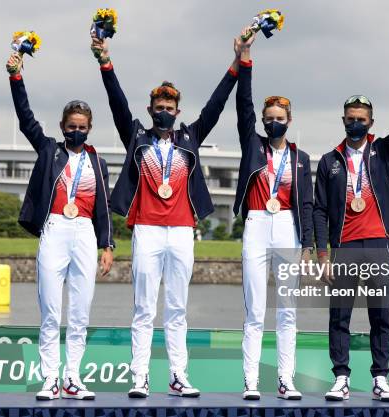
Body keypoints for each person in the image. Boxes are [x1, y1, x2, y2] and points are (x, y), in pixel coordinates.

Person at [91, 30, 243, 398]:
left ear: (177, 112)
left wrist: (237, 63)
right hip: (146, 229)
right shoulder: (137, 137)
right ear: (150, 111)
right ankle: (139, 377)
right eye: (158, 107)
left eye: (169, 109)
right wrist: (105, 62)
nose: (163, 112)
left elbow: (216, 105)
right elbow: (116, 104)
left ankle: (178, 375)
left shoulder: (189, 137)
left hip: (181, 232)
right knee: (144, 308)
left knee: (178, 307)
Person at [313, 44, 389, 402]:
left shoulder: (383, 151)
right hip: (345, 246)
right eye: (350, 117)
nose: (355, 123)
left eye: (362, 118)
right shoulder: (329, 161)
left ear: (371, 123)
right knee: (340, 316)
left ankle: (380, 378)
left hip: (379, 243)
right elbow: (319, 209)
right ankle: (341, 377)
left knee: (381, 315)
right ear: (343, 120)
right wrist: (322, 253)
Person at [6, 52, 115, 401]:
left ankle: (73, 379)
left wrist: (108, 245)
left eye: (83, 127)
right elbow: (26, 119)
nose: (77, 131)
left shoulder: (97, 161)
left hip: (84, 233)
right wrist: (16, 77)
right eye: (72, 126)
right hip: (54, 229)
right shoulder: (49, 150)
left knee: (80, 313)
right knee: (51, 311)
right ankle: (49, 378)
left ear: (90, 129)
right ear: (62, 127)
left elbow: (104, 209)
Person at [234, 28, 314, 401]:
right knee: (255, 311)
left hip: (288, 227)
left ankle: (286, 380)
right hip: (255, 222)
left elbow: (309, 203)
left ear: (290, 120)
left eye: (279, 117)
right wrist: (246, 59)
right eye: (269, 118)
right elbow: (243, 105)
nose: (273, 122)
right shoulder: (252, 144)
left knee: (288, 310)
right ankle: (250, 381)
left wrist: (311, 243)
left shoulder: (301, 159)